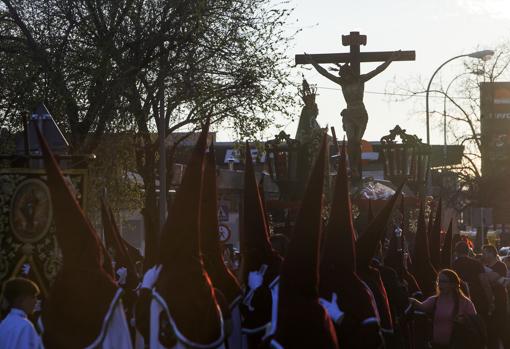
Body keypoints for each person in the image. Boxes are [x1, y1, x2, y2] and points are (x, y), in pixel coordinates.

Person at [409, 269, 477, 348]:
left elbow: (474, 322)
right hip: (436, 345)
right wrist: (410, 300)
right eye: (439, 281)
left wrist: (462, 320)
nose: (440, 284)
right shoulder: (435, 300)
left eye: (443, 281)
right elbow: (421, 306)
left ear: (453, 284)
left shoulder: (465, 302)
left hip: (457, 345)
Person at [0, 278, 43, 349]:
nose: (36, 301)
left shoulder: (4, 323)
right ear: (21, 300)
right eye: (33, 297)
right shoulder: (25, 326)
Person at [482, 244, 508, 349]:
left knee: (502, 329)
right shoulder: (484, 267)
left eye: (485, 252)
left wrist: (485, 278)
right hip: (488, 302)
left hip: (500, 301)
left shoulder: (501, 265)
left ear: (492, 253)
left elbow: (491, 279)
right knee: (491, 331)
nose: (483, 255)